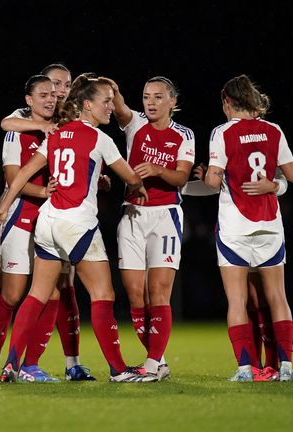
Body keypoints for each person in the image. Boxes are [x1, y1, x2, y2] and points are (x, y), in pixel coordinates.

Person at [0, 73, 151, 383]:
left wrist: (3, 206)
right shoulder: (100, 139)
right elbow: (129, 177)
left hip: (47, 221)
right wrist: (138, 186)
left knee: (37, 294)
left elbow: (24, 172)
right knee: (103, 293)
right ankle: (118, 370)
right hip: (77, 223)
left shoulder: (57, 134)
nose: (110, 107)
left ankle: (11, 363)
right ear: (87, 105)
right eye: (105, 101)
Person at [0, 63, 96, 381]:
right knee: (11, 292)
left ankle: (66, 362)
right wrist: (38, 126)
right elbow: (7, 126)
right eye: (53, 85)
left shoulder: (68, 120)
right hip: (24, 211)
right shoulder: (24, 120)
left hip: (60, 214)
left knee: (63, 289)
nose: (60, 91)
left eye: (65, 85)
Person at [203, 74, 293, 382]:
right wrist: (275, 185)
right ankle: (286, 368)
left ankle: (245, 368)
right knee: (277, 297)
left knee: (237, 300)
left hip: (235, 227)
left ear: (228, 101)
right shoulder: (273, 130)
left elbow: (214, 181)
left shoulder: (222, 132)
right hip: (270, 225)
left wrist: (206, 173)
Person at [0, 75, 65, 383]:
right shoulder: (17, 132)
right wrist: (43, 193)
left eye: (53, 94)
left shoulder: (60, 129)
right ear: (28, 100)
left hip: (52, 219)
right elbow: (14, 177)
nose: (50, 99)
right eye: (43, 94)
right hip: (20, 216)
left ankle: (30, 365)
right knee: (11, 294)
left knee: (51, 292)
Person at [105, 76, 195, 381]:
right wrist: (114, 91)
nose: (151, 103)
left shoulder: (184, 134)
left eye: (158, 97)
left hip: (165, 215)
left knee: (159, 292)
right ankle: (160, 359)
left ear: (172, 101)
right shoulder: (135, 125)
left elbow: (182, 178)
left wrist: (157, 169)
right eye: (146, 97)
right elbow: (120, 111)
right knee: (134, 295)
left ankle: (153, 361)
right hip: (132, 214)